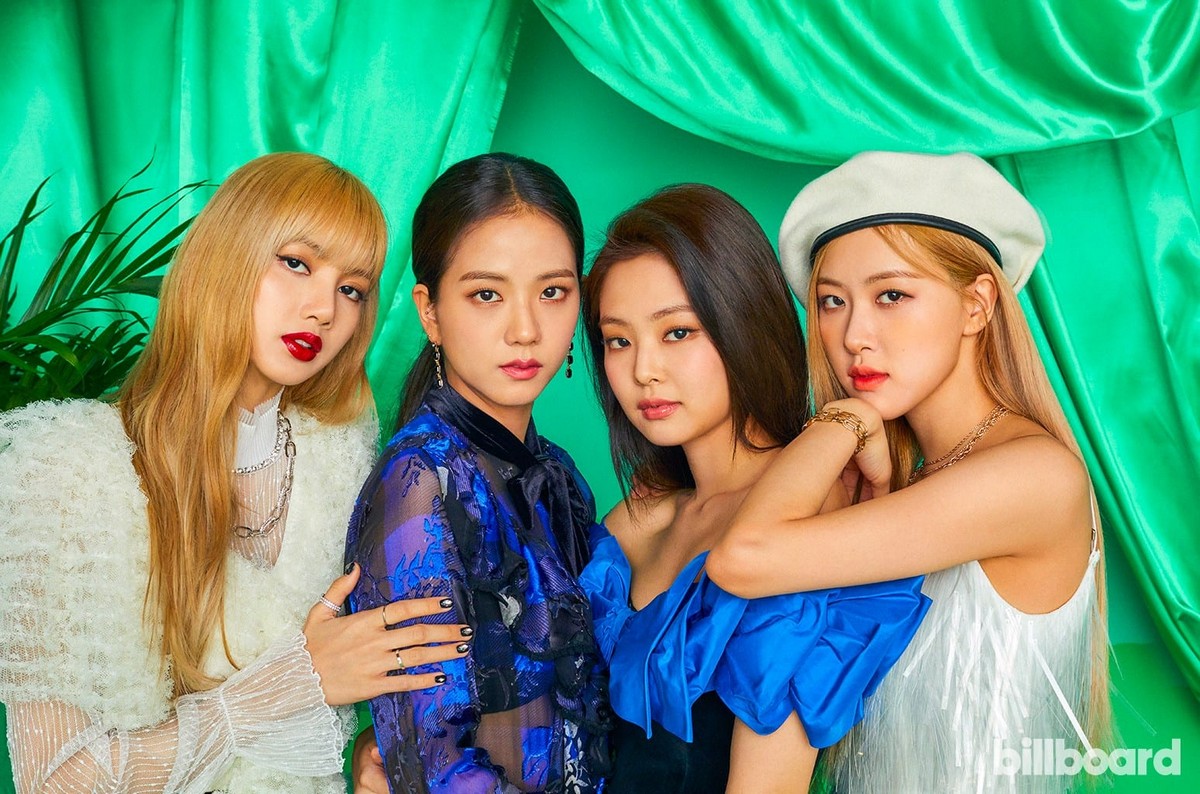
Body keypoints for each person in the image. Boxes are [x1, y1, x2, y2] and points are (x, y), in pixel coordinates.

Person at [0, 152, 471, 793]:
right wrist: (295, 681)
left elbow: (347, 702)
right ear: (226, 255)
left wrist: (369, 748)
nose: (324, 309)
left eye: (352, 289)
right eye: (297, 263)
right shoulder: (65, 469)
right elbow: (55, 780)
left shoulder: (341, 459)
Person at [707, 151, 1111, 792]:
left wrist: (842, 420)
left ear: (977, 305)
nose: (854, 335)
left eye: (891, 295)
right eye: (832, 302)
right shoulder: (910, 486)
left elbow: (743, 558)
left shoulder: (1034, 475)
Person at [579, 184, 930, 792]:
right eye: (618, 340)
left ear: (743, 322)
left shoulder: (808, 517)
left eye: (677, 332)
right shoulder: (637, 520)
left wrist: (845, 420)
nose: (643, 370)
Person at [344, 152, 609, 794]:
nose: (526, 329)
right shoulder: (419, 484)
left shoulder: (558, 476)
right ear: (430, 311)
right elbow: (432, 764)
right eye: (487, 294)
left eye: (552, 292)